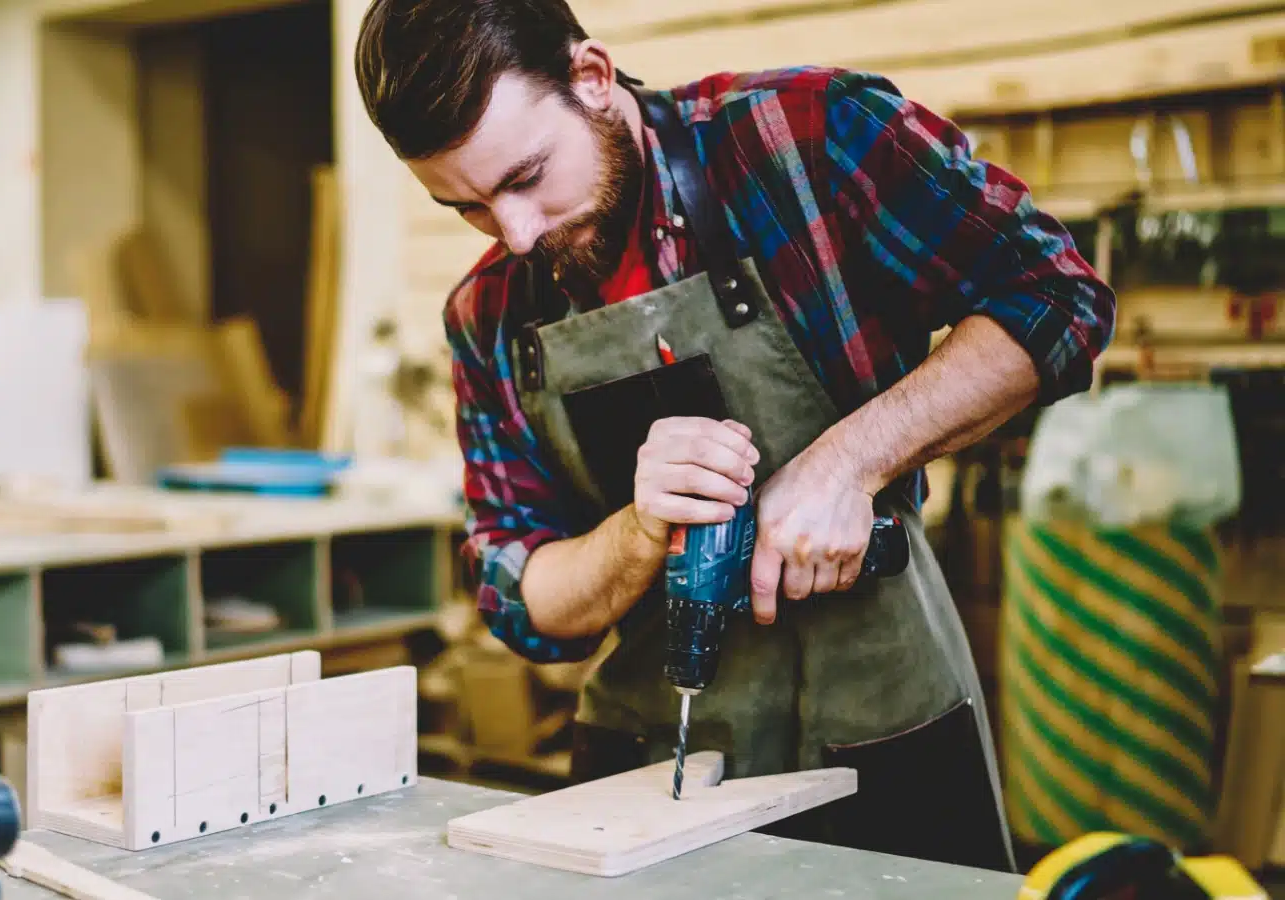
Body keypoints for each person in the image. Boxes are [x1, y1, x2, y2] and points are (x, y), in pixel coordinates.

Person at [355, 0, 1114, 873]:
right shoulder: (488, 314)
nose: (516, 234)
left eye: (526, 177)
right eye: (468, 209)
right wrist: (640, 533)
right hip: (648, 761)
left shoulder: (804, 141)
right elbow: (524, 599)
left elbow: (1056, 296)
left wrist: (845, 465)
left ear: (593, 79)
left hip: (885, 723)